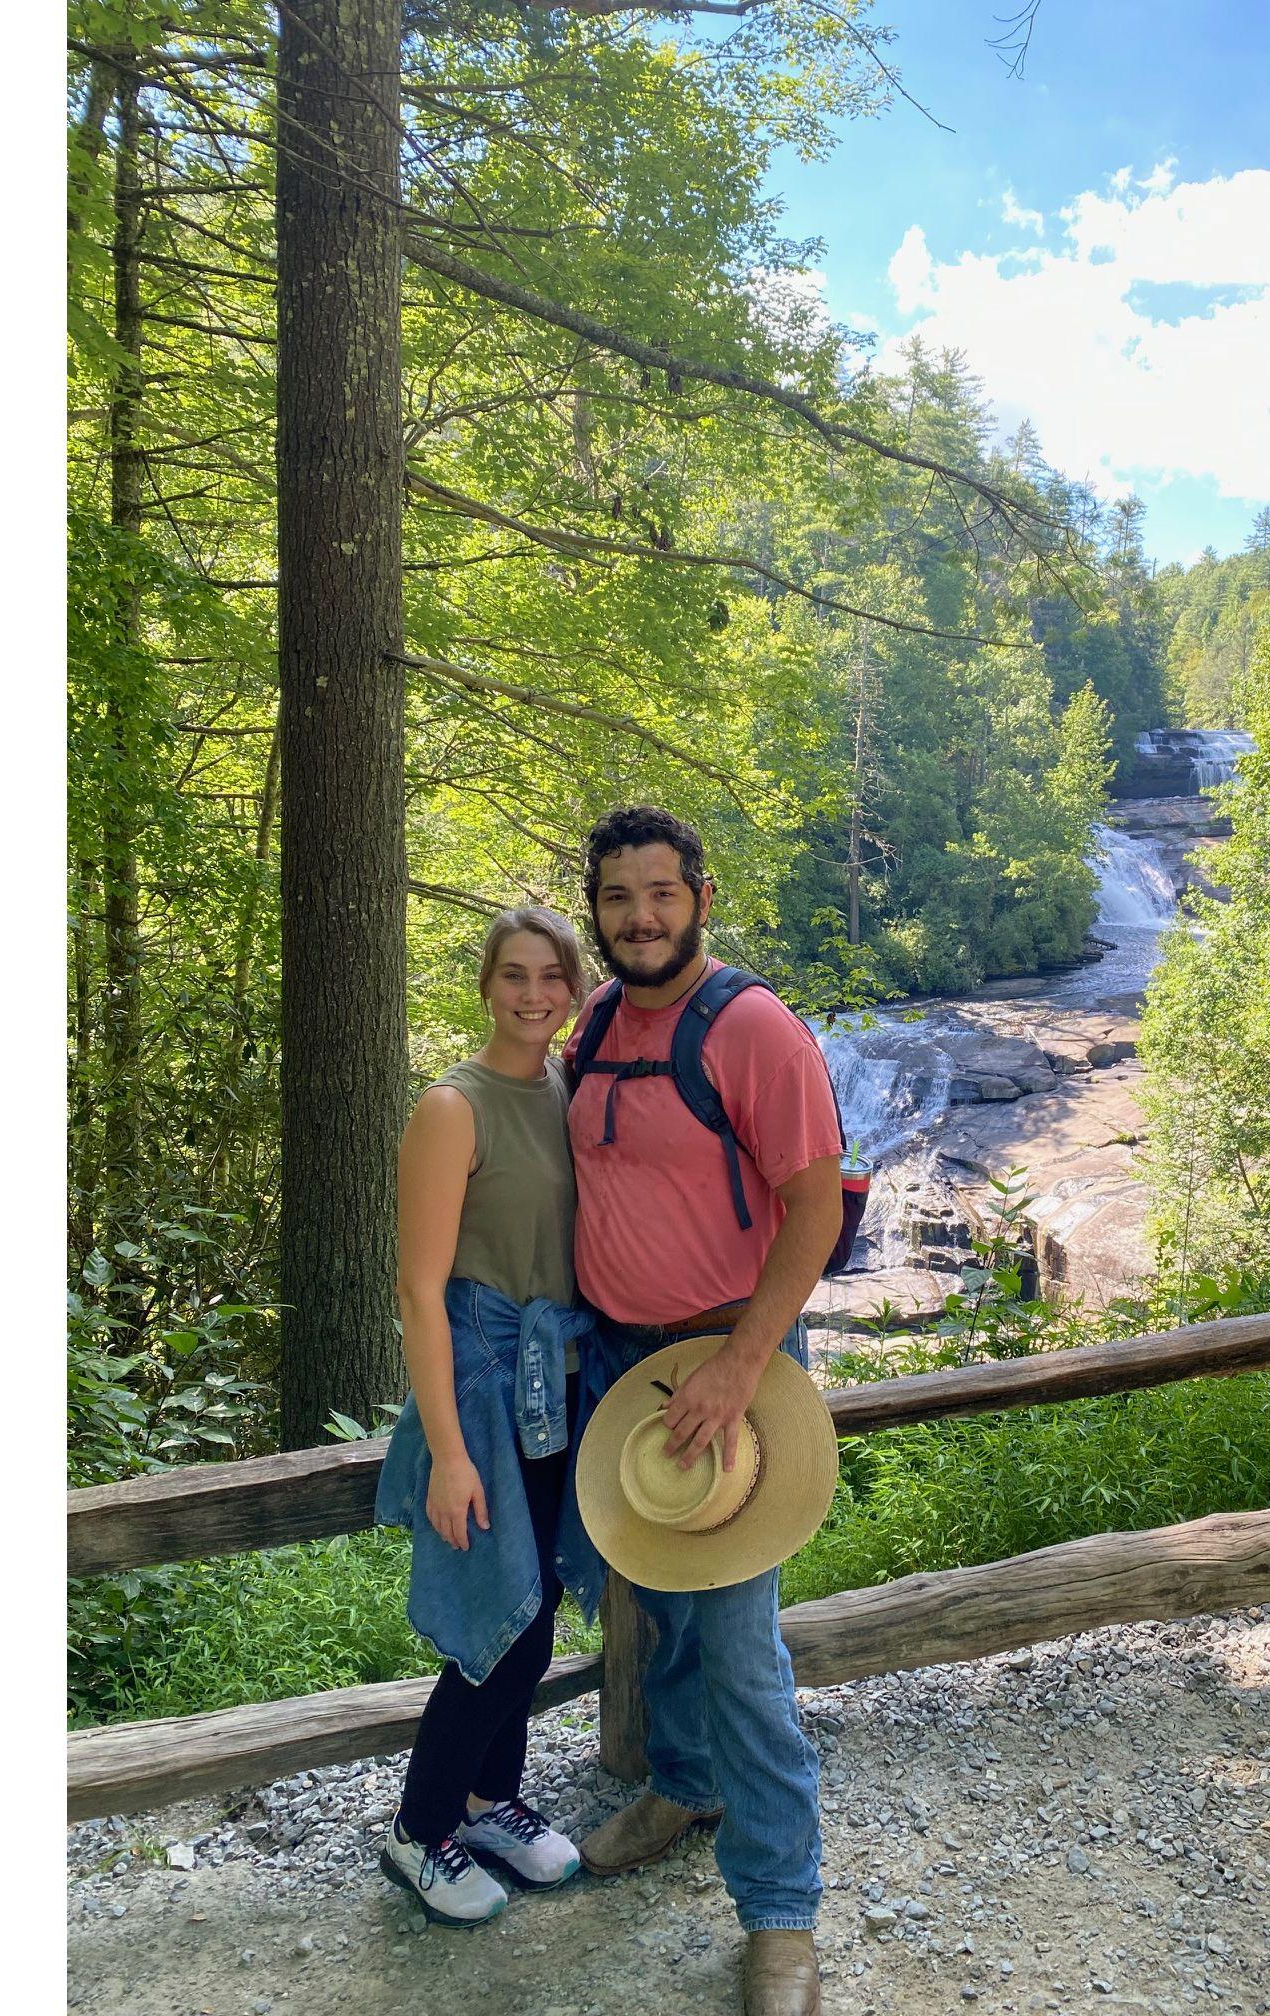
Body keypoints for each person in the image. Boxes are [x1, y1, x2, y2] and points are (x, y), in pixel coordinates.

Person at [567, 805, 844, 2016]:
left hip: (730, 1356)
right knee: (659, 1606)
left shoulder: (752, 1030)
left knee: (736, 1644)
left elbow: (818, 1208)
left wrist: (741, 1360)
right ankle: (681, 1786)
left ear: (701, 897)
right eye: (620, 897)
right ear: (598, 910)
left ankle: (781, 1912)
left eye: (661, 894)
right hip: (622, 1361)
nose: (641, 917)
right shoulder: (591, 1028)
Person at [371, 906, 605, 1927]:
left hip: (556, 1377)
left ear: (574, 987)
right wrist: (452, 1455)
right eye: (514, 975)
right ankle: (418, 1833)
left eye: (551, 976)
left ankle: (485, 1799)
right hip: (479, 1382)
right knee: (492, 1618)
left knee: (539, 1605)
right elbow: (420, 1292)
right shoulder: (450, 1108)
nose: (533, 994)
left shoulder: (565, 1086)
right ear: (486, 985)